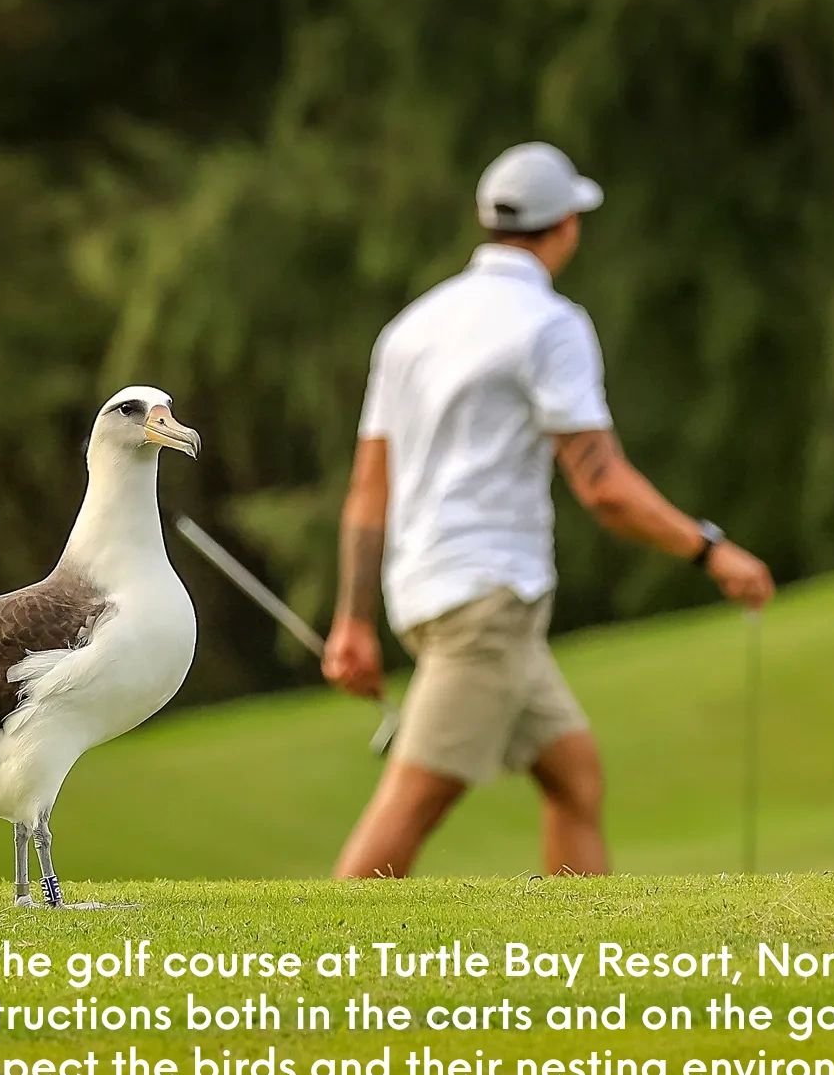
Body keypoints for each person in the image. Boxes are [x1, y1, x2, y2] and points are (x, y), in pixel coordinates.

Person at [320, 142, 777, 878]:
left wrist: (354, 619)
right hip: (487, 601)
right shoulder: (550, 324)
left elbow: (368, 489)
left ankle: (582, 960)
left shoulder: (411, 327)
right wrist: (711, 550)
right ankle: (310, 977)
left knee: (574, 776)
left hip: (432, 592)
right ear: (564, 226)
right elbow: (604, 486)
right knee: (408, 811)